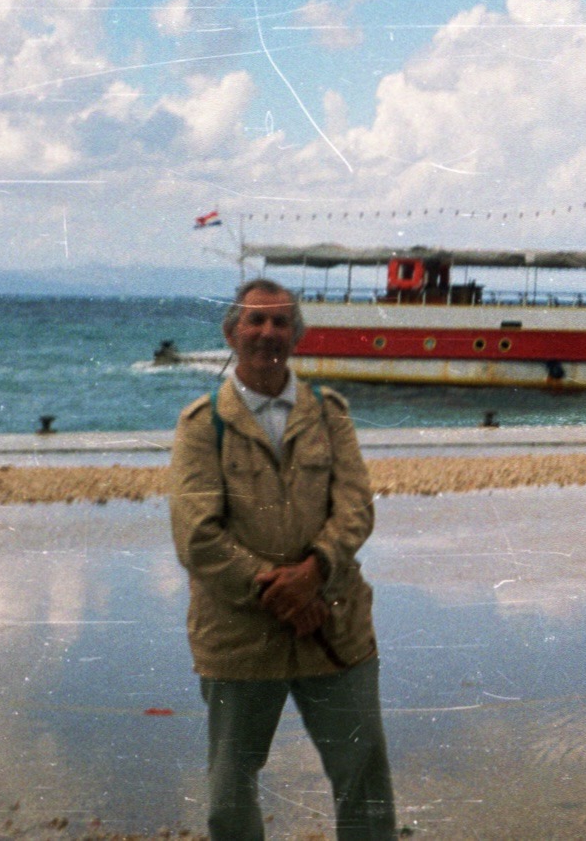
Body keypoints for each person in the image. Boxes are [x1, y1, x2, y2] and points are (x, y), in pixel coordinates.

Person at [169, 278, 396, 841]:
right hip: (240, 638)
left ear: (295, 335)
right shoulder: (202, 427)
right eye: (255, 321)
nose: (267, 333)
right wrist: (284, 595)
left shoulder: (329, 414)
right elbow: (197, 536)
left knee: (363, 779)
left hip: (332, 627)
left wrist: (313, 572)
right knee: (230, 792)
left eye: (279, 322)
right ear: (231, 333)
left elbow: (355, 509)